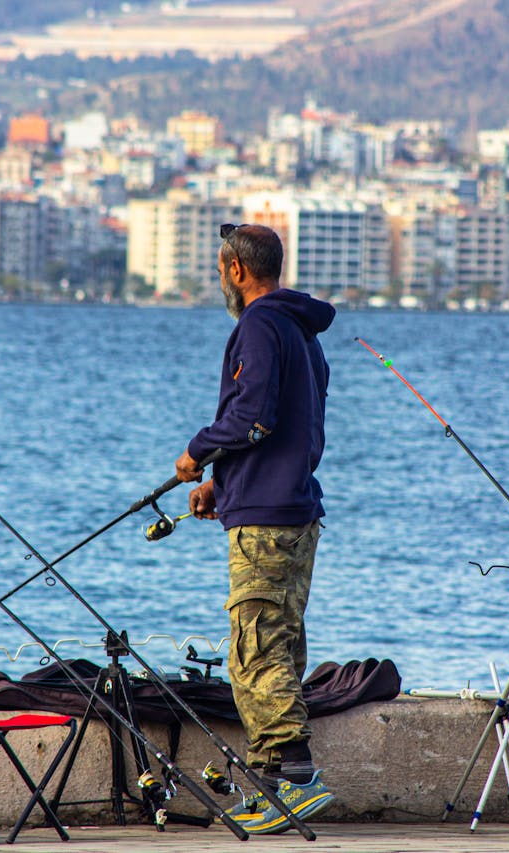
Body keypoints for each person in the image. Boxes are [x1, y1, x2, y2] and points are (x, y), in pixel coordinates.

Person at [174, 223, 336, 834]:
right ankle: (272, 785)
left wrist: (199, 453)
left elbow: (254, 415)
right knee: (280, 645)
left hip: (268, 521)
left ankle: (295, 778)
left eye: (222, 269)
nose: (222, 279)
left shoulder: (260, 326)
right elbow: (293, 427)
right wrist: (226, 483)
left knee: (255, 650)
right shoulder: (299, 331)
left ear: (237, 271)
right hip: (288, 508)